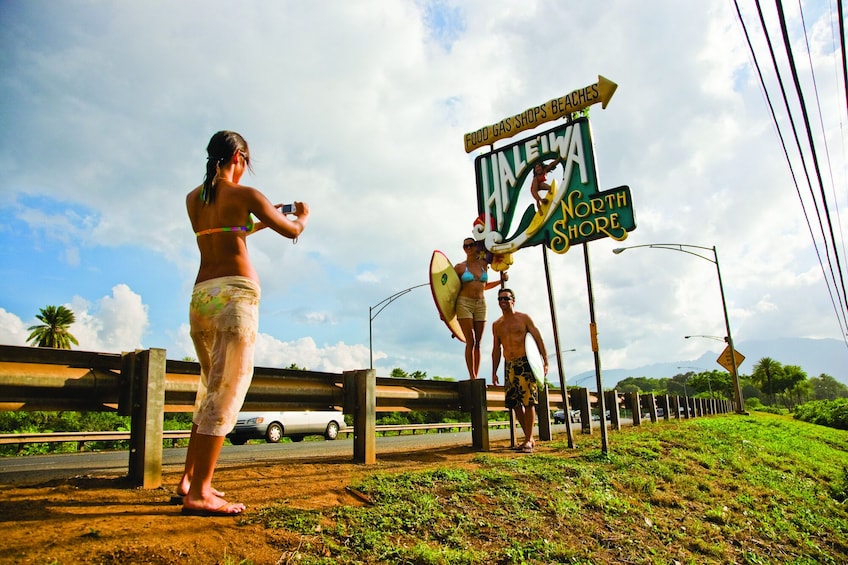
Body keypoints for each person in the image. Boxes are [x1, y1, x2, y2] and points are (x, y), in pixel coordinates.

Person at [178, 130, 309, 516]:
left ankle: (188, 481)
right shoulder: (248, 196)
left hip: (202, 297)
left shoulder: (193, 199)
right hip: (235, 295)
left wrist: (262, 221)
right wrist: (301, 216)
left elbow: (230, 230)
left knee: (209, 391)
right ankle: (200, 492)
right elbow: (293, 231)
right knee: (228, 391)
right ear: (239, 157)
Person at [491, 288, 547, 453]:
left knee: (528, 402)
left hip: (525, 362)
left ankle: (528, 440)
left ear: (513, 300)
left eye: (506, 298)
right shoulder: (497, 325)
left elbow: (538, 337)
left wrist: (544, 361)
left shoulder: (523, 319)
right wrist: (494, 371)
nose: (503, 302)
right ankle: (528, 437)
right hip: (509, 364)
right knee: (514, 403)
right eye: (500, 299)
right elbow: (496, 349)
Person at [454, 238, 506, 379]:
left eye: (471, 245)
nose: (469, 248)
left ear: (477, 246)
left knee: (478, 342)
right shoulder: (459, 267)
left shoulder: (484, 264)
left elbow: (485, 285)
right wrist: (445, 313)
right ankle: (472, 376)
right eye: (465, 246)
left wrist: (501, 281)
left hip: (481, 304)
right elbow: (450, 290)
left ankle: (476, 374)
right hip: (464, 303)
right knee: (470, 340)